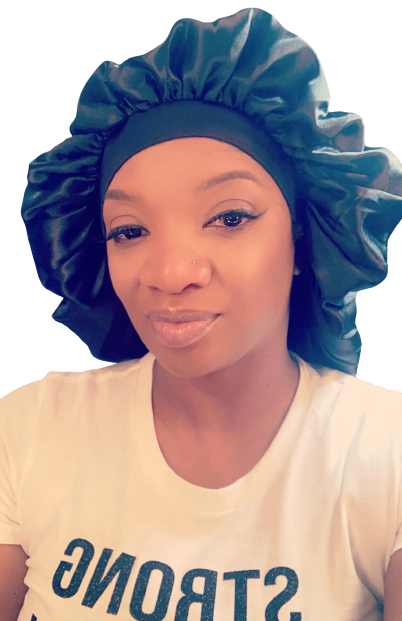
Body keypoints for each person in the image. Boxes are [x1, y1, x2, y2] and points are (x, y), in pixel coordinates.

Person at [1, 8, 401, 620]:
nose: (168, 273)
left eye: (230, 217)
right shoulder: (30, 427)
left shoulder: (382, 450)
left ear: (304, 238)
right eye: (129, 230)